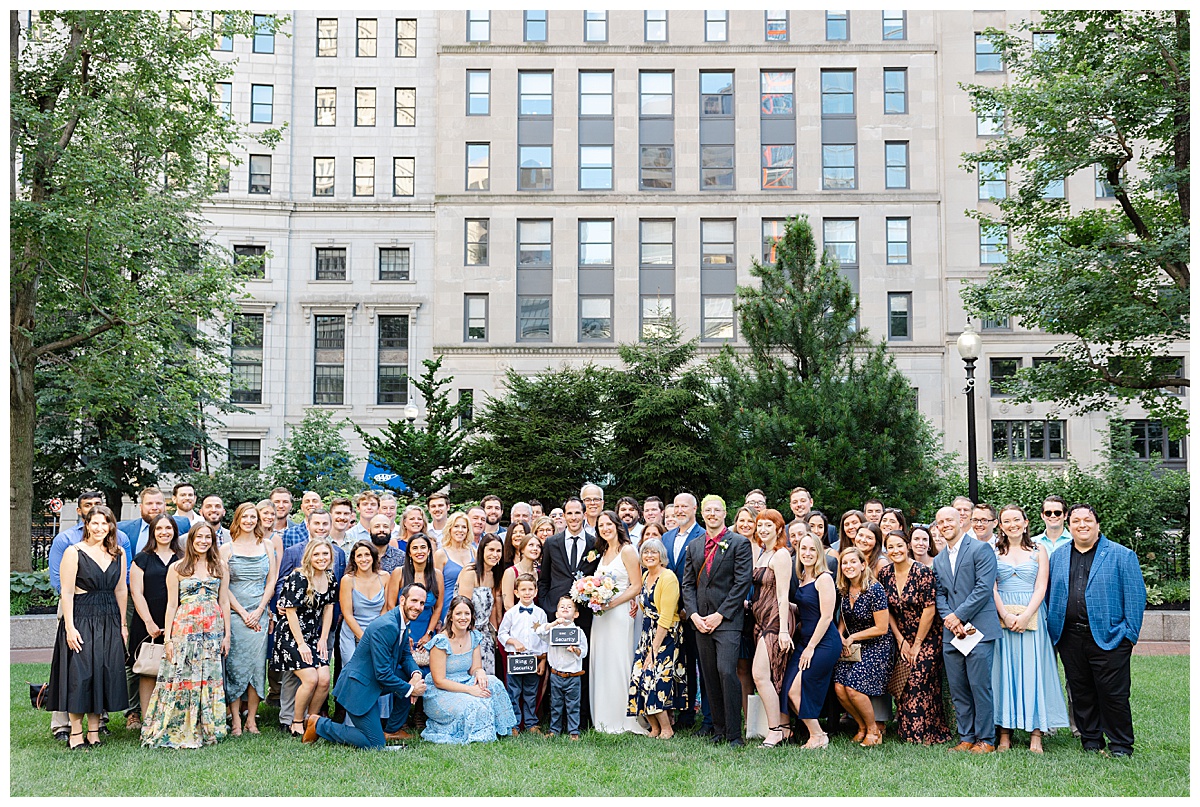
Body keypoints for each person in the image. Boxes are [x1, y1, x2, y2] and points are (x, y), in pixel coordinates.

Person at [1047, 504, 1145, 758]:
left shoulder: (1121, 555)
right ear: (1069, 526)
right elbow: (1051, 595)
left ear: (1097, 524)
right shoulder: (1057, 556)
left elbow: (1135, 598)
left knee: (1113, 694)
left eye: (1087, 520)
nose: (1082, 525)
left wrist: (1129, 635)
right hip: (1069, 637)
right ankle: (1091, 740)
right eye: (1076, 520)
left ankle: (1121, 744)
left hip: (1110, 637)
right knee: (1081, 691)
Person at [141, 522, 231, 748]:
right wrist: (168, 638)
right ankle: (176, 725)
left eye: (207, 538)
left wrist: (227, 635)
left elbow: (224, 601)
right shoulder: (177, 568)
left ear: (213, 541)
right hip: (185, 628)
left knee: (208, 675)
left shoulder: (220, 566)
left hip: (212, 629)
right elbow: (171, 605)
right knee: (181, 675)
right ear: (190, 540)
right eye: (198, 537)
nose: (203, 541)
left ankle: (207, 725)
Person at [305, 583, 428, 749]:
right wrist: (411, 689)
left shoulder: (402, 622)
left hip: (374, 682)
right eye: (414, 601)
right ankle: (319, 724)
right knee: (375, 745)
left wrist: (416, 675)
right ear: (402, 600)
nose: (418, 607)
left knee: (407, 676)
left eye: (422, 603)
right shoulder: (387, 626)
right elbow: (383, 674)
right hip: (358, 687)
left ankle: (392, 729)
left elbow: (405, 655)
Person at [47, 505, 129, 750]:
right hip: (82, 617)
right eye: (95, 523)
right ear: (86, 525)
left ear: (112, 526)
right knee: (80, 675)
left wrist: (123, 624)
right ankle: (75, 733)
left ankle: (94, 732)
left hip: (109, 618)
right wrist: (70, 628)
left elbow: (121, 589)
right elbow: (67, 592)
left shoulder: (119, 553)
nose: (100, 528)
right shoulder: (74, 552)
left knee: (102, 672)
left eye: (105, 523)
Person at [991, 504, 1068, 753]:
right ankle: (1004, 733)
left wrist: (1025, 616)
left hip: (1032, 616)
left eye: (1017, 519)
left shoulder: (1039, 550)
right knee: (1004, 672)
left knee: (1034, 671)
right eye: (1006, 521)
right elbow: (991, 587)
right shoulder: (994, 551)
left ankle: (1036, 733)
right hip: (1002, 616)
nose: (1012, 524)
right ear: (1000, 526)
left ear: (1025, 522)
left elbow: (1041, 587)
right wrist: (1004, 614)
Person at [681, 494, 753, 746]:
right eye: (707, 510)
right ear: (702, 514)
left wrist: (720, 614)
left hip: (727, 620)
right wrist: (693, 615)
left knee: (726, 671)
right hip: (700, 620)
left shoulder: (739, 543)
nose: (712, 514)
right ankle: (719, 730)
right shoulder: (695, 545)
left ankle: (735, 734)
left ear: (724, 513)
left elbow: (742, 582)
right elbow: (687, 583)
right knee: (709, 675)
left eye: (716, 510)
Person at [932, 504, 1001, 754]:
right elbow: (938, 593)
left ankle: (987, 740)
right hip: (952, 634)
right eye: (940, 522)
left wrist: (958, 616)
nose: (945, 525)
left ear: (962, 521)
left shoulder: (981, 549)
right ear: (937, 527)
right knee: (959, 688)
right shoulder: (938, 559)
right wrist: (950, 618)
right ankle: (966, 737)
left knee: (979, 686)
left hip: (978, 630)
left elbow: (983, 588)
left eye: (949, 520)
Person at [878, 530, 952, 745]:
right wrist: (901, 640)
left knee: (919, 680)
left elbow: (930, 610)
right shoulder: (885, 574)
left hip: (927, 636)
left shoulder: (922, 572)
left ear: (907, 546)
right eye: (890, 547)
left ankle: (928, 731)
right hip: (901, 636)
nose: (895, 551)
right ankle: (907, 731)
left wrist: (917, 644)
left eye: (899, 545)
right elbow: (887, 611)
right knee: (903, 683)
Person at [420, 596, 518, 744]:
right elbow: (439, 681)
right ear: (451, 616)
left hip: (465, 680)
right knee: (475, 704)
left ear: (472, 616)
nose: (463, 618)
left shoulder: (474, 636)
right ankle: (479, 736)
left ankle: (504, 727)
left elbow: (475, 668)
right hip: (441, 692)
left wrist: (480, 672)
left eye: (467, 613)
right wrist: (470, 690)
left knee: (494, 683)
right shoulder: (441, 641)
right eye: (458, 613)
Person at [220, 502, 278, 736]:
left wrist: (260, 609)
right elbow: (224, 588)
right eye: (245, 516)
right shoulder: (226, 549)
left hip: (260, 615)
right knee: (235, 667)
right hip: (235, 616)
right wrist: (243, 613)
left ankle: (251, 720)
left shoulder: (267, 544)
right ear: (237, 519)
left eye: (253, 517)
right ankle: (234, 719)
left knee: (256, 668)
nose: (249, 520)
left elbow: (271, 580)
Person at [588, 510, 646, 735]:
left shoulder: (628, 550)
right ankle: (603, 717)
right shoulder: (602, 552)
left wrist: (612, 603)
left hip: (620, 613)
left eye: (608, 524)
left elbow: (636, 585)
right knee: (602, 663)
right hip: (601, 616)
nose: (605, 528)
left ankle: (624, 717)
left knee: (620, 661)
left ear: (617, 525)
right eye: (601, 525)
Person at [782, 533, 841, 749]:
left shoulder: (824, 578)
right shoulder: (803, 577)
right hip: (805, 641)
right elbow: (808, 608)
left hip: (823, 643)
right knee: (789, 688)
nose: (807, 553)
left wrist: (810, 648)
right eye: (803, 549)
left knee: (798, 688)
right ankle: (816, 734)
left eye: (812, 549)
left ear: (819, 552)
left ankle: (818, 735)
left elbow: (826, 616)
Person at [274, 539, 337, 737]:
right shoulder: (298, 577)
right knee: (310, 679)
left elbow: (329, 609)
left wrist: (323, 639)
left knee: (324, 680)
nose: (321, 558)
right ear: (309, 556)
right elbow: (290, 612)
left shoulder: (330, 577)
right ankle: (296, 721)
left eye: (325, 554)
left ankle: (313, 720)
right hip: (291, 635)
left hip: (312, 636)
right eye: (316, 554)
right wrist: (301, 644)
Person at [831, 546, 893, 748]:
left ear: (863, 564)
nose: (848, 566)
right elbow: (844, 618)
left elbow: (882, 627)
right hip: (854, 645)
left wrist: (853, 637)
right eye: (844, 563)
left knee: (853, 687)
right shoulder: (844, 589)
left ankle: (874, 729)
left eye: (852, 562)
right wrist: (840, 634)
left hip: (877, 646)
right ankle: (861, 727)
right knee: (839, 687)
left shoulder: (874, 589)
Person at [626, 537, 685, 740]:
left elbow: (666, 617)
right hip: (647, 633)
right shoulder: (645, 576)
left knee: (656, 680)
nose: (649, 556)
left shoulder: (668, 577)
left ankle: (667, 728)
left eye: (654, 552)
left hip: (665, 635)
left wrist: (653, 650)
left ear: (662, 556)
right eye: (645, 552)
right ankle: (655, 728)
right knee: (639, 678)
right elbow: (645, 604)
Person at [128, 515, 181, 723]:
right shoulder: (142, 559)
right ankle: (148, 720)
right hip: (147, 622)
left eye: (168, 528)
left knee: (175, 669)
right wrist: (149, 622)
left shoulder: (183, 559)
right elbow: (136, 592)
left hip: (177, 622)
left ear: (174, 531)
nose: (164, 532)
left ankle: (169, 719)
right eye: (159, 528)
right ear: (152, 532)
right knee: (148, 671)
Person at [748, 509, 795, 748]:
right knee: (772, 676)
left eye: (769, 525)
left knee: (760, 674)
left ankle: (774, 730)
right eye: (760, 525)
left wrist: (784, 631)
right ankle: (783, 729)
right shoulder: (762, 554)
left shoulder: (781, 555)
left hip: (776, 622)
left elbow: (782, 594)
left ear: (779, 529)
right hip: (760, 620)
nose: (763, 529)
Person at [662, 492, 707, 732]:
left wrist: (688, 609)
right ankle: (684, 713)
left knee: (699, 664)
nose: (680, 511)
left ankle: (707, 716)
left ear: (694, 509)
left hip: (694, 612)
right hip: (670, 614)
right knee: (679, 664)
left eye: (684, 507)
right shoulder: (666, 537)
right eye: (676, 507)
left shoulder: (703, 536)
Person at [338, 540, 393, 735]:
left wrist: (375, 637)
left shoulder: (385, 577)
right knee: (357, 677)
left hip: (378, 631)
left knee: (378, 674)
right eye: (359, 555)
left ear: (374, 557)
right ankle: (353, 723)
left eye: (367, 555)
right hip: (352, 633)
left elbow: (387, 608)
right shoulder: (348, 580)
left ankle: (378, 721)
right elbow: (347, 613)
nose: (363, 559)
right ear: (353, 558)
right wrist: (363, 638)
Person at [498, 573, 548, 734]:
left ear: (535, 591)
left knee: (531, 692)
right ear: (516, 592)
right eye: (523, 589)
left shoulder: (540, 613)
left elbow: (544, 639)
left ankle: (531, 723)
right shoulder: (511, 613)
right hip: (515, 660)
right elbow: (502, 634)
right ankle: (514, 724)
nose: (527, 593)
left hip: (533, 660)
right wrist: (514, 641)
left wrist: (542, 661)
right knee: (513, 692)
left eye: (530, 589)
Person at [537, 596, 589, 739]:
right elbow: (539, 632)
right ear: (557, 613)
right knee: (555, 704)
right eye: (562, 607)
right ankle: (554, 730)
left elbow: (584, 652)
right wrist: (554, 623)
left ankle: (574, 731)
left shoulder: (578, 632)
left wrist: (576, 650)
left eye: (569, 606)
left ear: (576, 614)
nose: (565, 608)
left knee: (573, 706)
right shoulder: (553, 632)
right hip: (556, 675)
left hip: (573, 676)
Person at [388, 533, 444, 663]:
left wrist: (429, 634)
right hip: (402, 629)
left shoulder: (437, 575)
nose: (419, 551)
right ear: (409, 552)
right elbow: (391, 605)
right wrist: (405, 632)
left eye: (423, 547)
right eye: (415, 548)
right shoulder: (399, 573)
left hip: (427, 631)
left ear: (429, 551)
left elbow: (438, 607)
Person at [456, 534, 504, 675]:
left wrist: (495, 633)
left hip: (485, 633)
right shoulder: (470, 572)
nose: (495, 555)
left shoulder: (495, 574)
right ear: (482, 550)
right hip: (466, 631)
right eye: (491, 550)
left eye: (498, 551)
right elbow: (462, 607)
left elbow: (493, 608)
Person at [117, 486, 190, 556]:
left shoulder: (182, 524)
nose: (154, 508)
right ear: (141, 507)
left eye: (158, 503)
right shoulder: (123, 529)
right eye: (149, 504)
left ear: (165, 506)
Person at [434, 512, 476, 624]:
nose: (460, 530)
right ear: (450, 529)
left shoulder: (473, 552)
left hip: (468, 608)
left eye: (464, 527)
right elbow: (435, 588)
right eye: (456, 526)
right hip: (447, 606)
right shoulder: (440, 554)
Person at [501, 529, 542, 611]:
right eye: (531, 545)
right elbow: (508, 605)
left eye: (538, 546)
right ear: (522, 549)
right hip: (514, 619)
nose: (535, 548)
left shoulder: (539, 573)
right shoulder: (510, 572)